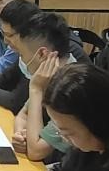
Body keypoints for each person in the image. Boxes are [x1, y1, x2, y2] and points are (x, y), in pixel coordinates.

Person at [11, 11, 82, 162]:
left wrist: (35, 89)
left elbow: (36, 152)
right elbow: (22, 115)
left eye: (22, 55)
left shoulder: (72, 87)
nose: (21, 60)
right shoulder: (50, 77)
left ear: (42, 54)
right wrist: (21, 136)